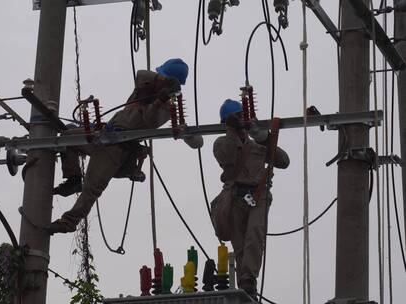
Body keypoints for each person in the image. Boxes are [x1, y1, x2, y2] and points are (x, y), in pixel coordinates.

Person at [48, 58, 201, 234]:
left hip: (116, 147)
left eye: (162, 76)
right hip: (104, 135)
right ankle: (74, 179)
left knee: (92, 188)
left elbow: (150, 121)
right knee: (68, 137)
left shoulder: (167, 108)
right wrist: (162, 82)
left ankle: (69, 221)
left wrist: (158, 101)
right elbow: (141, 73)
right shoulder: (143, 88)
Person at [210, 99, 289, 300]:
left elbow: (283, 161)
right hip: (235, 197)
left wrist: (263, 138)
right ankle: (245, 288)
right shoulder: (221, 143)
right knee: (240, 245)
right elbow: (227, 158)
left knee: (255, 236)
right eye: (237, 119)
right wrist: (231, 133)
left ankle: (248, 279)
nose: (241, 124)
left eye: (241, 118)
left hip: (258, 195)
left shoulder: (258, 145)